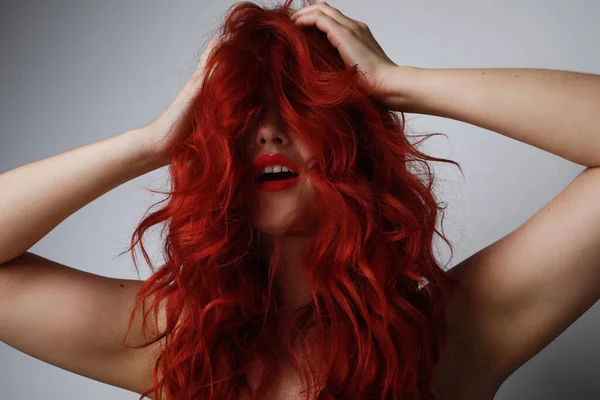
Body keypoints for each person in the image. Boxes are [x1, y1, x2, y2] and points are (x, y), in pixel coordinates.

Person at [1, 1, 600, 399]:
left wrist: (401, 83)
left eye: (298, 107)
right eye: (243, 115)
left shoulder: (455, 329)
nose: (266, 131)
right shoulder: (174, 341)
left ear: (355, 140)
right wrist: (151, 142)